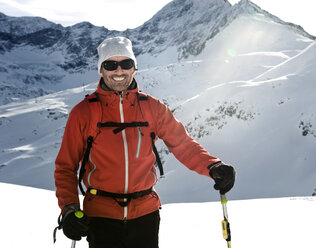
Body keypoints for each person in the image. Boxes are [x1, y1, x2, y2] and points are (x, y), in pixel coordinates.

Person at [54, 36, 235, 248]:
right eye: (111, 64)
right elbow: (66, 167)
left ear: (134, 68)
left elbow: (183, 145)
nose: (119, 71)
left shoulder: (153, 108)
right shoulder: (83, 112)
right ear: (101, 70)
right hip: (100, 218)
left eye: (126, 64)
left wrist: (212, 166)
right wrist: (69, 209)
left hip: (145, 216)